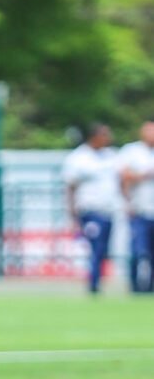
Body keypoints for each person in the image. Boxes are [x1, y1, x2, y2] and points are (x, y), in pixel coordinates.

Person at [62, 123, 122, 294]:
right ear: (94, 137)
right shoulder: (79, 158)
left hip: (108, 211)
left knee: (103, 249)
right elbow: (71, 186)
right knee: (95, 248)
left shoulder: (111, 156)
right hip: (90, 211)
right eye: (104, 135)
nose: (108, 139)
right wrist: (72, 213)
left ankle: (97, 281)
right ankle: (93, 285)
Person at [117, 120, 154, 293]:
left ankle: (150, 289)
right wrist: (144, 176)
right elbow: (123, 176)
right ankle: (135, 287)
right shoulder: (132, 151)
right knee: (138, 251)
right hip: (139, 210)